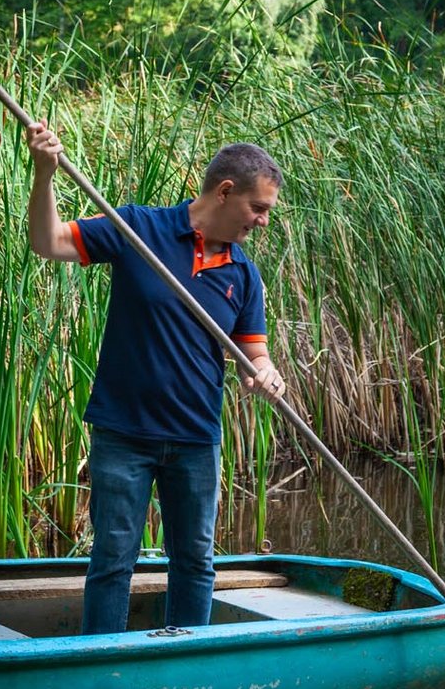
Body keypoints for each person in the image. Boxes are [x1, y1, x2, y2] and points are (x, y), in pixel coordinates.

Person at [26, 121, 286, 634]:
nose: (263, 221)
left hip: (195, 439)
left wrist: (266, 374)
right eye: (259, 209)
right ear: (226, 191)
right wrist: (44, 176)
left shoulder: (243, 274)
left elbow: (254, 353)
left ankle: (184, 660)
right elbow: (48, 243)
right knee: (112, 560)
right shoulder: (136, 230)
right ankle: (102, 662)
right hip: (123, 433)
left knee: (193, 562)